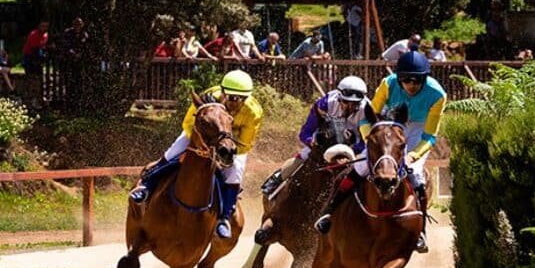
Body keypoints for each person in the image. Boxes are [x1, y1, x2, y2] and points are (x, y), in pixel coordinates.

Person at [314, 51, 445, 253]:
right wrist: (372, 143)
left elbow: (429, 137)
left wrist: (413, 156)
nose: (411, 85)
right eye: (406, 80)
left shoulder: (438, 95)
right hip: (388, 128)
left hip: (417, 131)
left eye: (417, 80)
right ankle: (329, 213)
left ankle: (421, 233)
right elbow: (368, 118)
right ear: (398, 78)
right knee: (357, 168)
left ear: (425, 78)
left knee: (417, 178)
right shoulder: (387, 83)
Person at [128, 70, 263, 239]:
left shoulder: (254, 111)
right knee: (172, 154)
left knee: (235, 171)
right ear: (223, 93)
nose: (237, 103)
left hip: (231, 142)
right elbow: (188, 124)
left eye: (242, 99)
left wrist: (224, 156)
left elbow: (245, 143)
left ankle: (224, 218)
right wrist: (200, 146)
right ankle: (146, 187)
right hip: (200, 135)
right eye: (232, 98)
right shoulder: (206, 98)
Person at [259, 76, 373, 196]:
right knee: (302, 157)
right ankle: (276, 182)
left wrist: (353, 151)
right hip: (323, 143)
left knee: (365, 168)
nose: (350, 108)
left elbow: (367, 141)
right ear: (339, 97)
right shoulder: (324, 104)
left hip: (352, 146)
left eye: (355, 104)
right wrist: (313, 142)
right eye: (346, 102)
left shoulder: (367, 110)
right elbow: (305, 133)